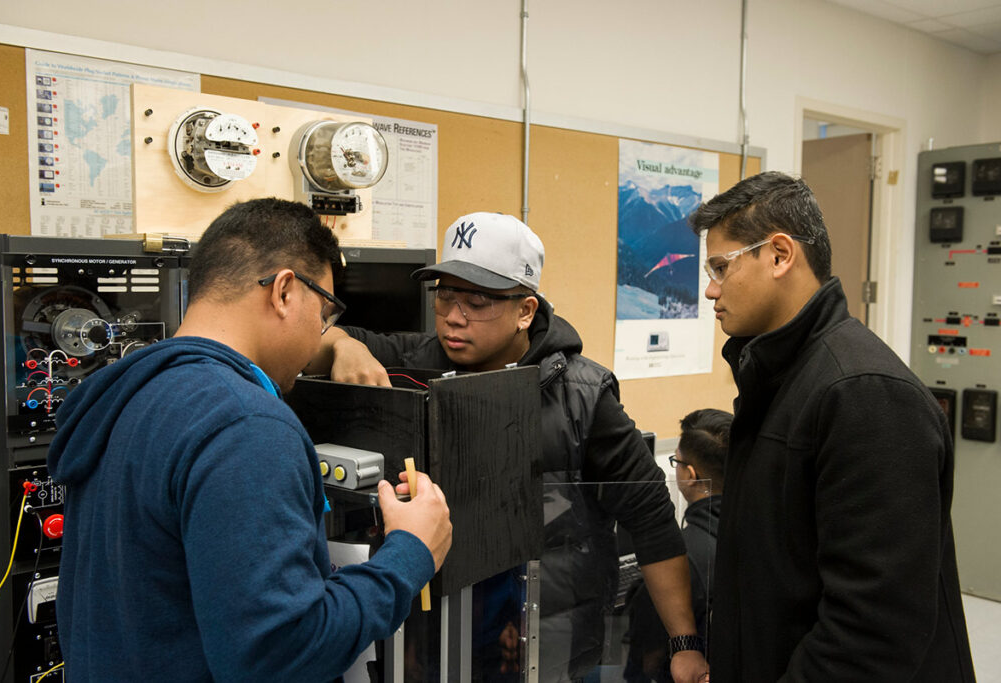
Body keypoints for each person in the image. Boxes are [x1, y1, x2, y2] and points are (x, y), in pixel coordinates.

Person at [46, 198, 453, 682]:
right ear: (284, 291)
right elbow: (280, 655)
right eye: (323, 312)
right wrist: (408, 554)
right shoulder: (246, 426)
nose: (318, 336)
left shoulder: (131, 395)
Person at [310, 212, 708, 683]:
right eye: (446, 296)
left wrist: (683, 643)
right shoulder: (410, 363)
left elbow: (651, 519)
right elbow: (309, 337)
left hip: (541, 647)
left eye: (479, 300)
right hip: (428, 644)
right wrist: (341, 344)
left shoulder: (583, 395)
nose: (455, 316)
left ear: (526, 310)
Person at [689, 171, 975, 681]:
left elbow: (873, 629)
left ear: (779, 255)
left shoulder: (864, 393)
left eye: (719, 267)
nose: (711, 290)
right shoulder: (783, 378)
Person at [624, 409, 730, 683]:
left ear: (690, 475)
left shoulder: (674, 564)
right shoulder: (762, 537)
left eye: (676, 462)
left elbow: (644, 663)